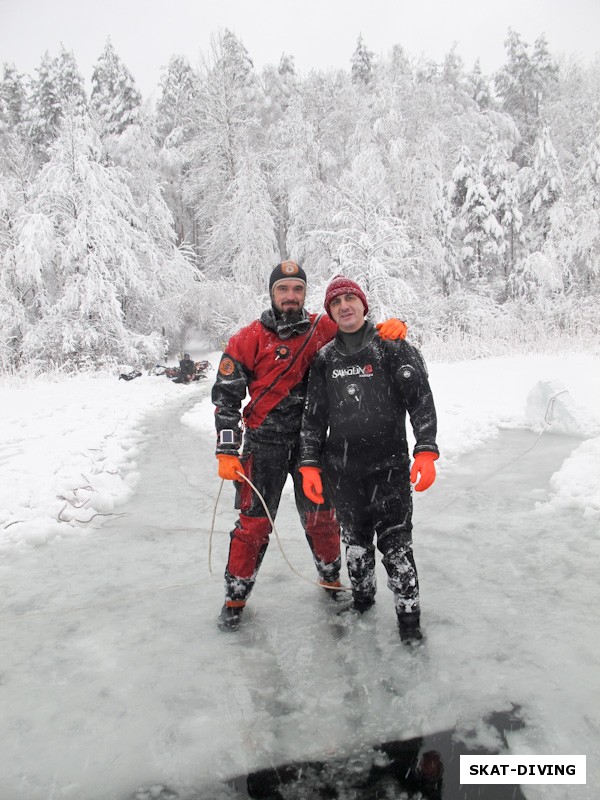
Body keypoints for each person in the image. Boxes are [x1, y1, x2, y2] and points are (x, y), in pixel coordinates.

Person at [212, 261, 408, 631]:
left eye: (297, 289)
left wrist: (391, 328)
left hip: (312, 449)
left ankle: (331, 580)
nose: (290, 295)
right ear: (272, 293)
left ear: (305, 293)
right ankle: (235, 596)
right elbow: (226, 398)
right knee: (252, 526)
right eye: (283, 289)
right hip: (263, 445)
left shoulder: (324, 329)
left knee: (322, 519)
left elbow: (360, 330)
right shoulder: (246, 338)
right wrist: (226, 448)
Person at [299, 275, 439, 644]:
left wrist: (426, 449)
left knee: (396, 549)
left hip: (388, 467)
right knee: (356, 545)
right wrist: (310, 463)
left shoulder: (392, 347)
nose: (344, 306)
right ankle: (362, 605)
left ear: (363, 304)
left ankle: (409, 624)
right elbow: (313, 418)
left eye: (351, 298)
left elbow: (420, 401)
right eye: (336, 302)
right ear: (329, 312)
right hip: (342, 471)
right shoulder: (325, 359)